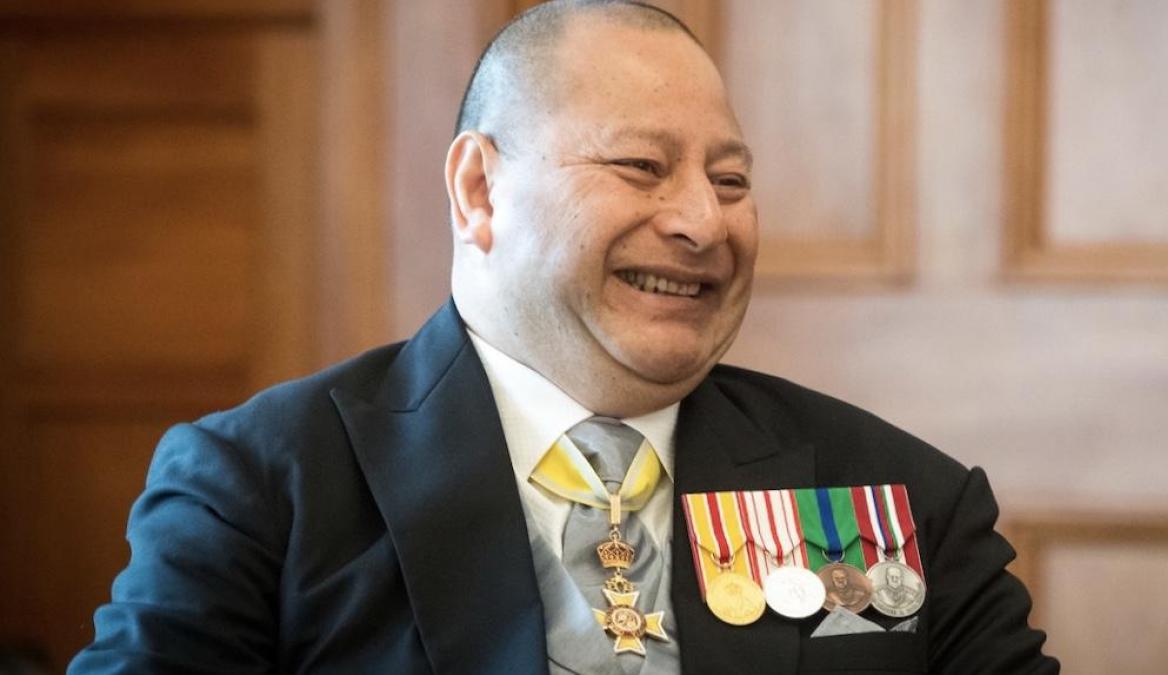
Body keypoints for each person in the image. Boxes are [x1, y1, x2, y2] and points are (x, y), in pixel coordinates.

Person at [69, 1, 1058, 673]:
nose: (703, 223)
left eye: (730, 181)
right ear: (479, 189)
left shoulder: (900, 496)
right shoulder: (263, 489)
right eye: (641, 166)